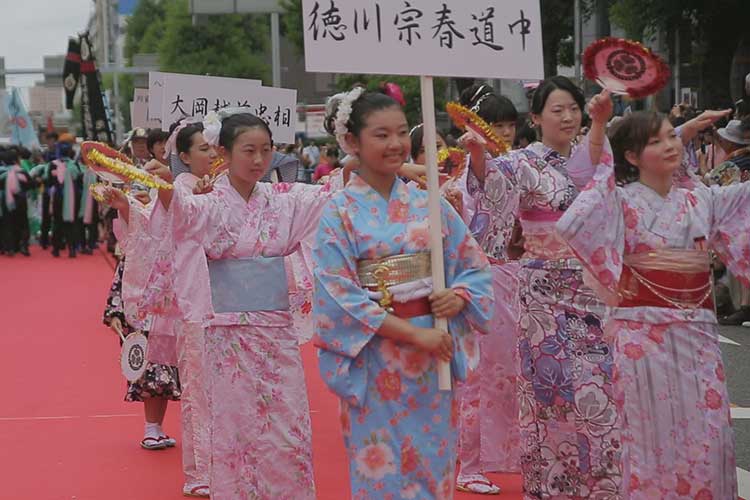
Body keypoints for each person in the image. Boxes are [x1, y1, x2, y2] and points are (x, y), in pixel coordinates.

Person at [140, 109, 353, 499]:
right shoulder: (209, 201)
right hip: (227, 334)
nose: (258, 160)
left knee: (287, 424)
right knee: (236, 428)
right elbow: (183, 217)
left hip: (276, 331)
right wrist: (167, 190)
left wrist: (355, 162)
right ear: (224, 151)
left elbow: (331, 197)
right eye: (248, 150)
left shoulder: (284, 199)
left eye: (266, 151)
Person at [313, 89, 493, 499]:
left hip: (433, 358)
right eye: (381, 135)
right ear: (353, 142)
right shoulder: (339, 212)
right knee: (383, 470)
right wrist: (412, 334)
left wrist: (460, 295)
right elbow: (338, 294)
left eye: (400, 133)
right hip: (376, 358)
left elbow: (472, 264)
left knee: (433, 464)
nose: (395, 144)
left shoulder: (429, 203)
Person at [556, 109, 739, 499]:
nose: (670, 145)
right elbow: (576, 222)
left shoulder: (700, 199)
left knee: (710, 435)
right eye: (655, 141)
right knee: (649, 441)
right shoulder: (620, 201)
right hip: (643, 337)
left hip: (698, 335)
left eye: (672, 137)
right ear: (632, 157)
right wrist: (601, 128)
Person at [466, 76, 621, 498]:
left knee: (600, 386)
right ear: (535, 118)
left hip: (592, 291)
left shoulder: (594, 157)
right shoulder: (523, 162)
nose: (568, 117)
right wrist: (479, 158)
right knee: (552, 392)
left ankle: (602, 483)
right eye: (557, 109)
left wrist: (601, 125)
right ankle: (554, 484)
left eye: (573, 108)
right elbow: (491, 189)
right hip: (544, 297)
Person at [453, 86, 523, 494]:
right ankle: (470, 463)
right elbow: (481, 176)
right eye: (498, 125)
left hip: (518, 275)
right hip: (482, 277)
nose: (506, 132)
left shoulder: (518, 165)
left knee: (514, 371)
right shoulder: (475, 167)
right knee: (478, 374)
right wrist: (478, 152)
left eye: (510, 124)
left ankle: (510, 454)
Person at [705, 119, 750, 326]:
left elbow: (711, 187)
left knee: (734, 260)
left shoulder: (729, 166)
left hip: (733, 222)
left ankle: (741, 305)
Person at [49, 143, 82, 258]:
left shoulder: (53, 165)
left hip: (58, 198)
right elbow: (79, 181)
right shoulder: (74, 165)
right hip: (72, 199)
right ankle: (72, 249)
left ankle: (56, 249)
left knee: (57, 223)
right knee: (71, 224)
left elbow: (49, 182)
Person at [1, 148, 33, 256]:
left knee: (8, 224)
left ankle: (10, 248)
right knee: (23, 223)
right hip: (21, 200)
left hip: (7, 201)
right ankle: (24, 246)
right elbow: (31, 185)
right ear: (16, 160)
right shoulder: (21, 172)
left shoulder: (2, 173)